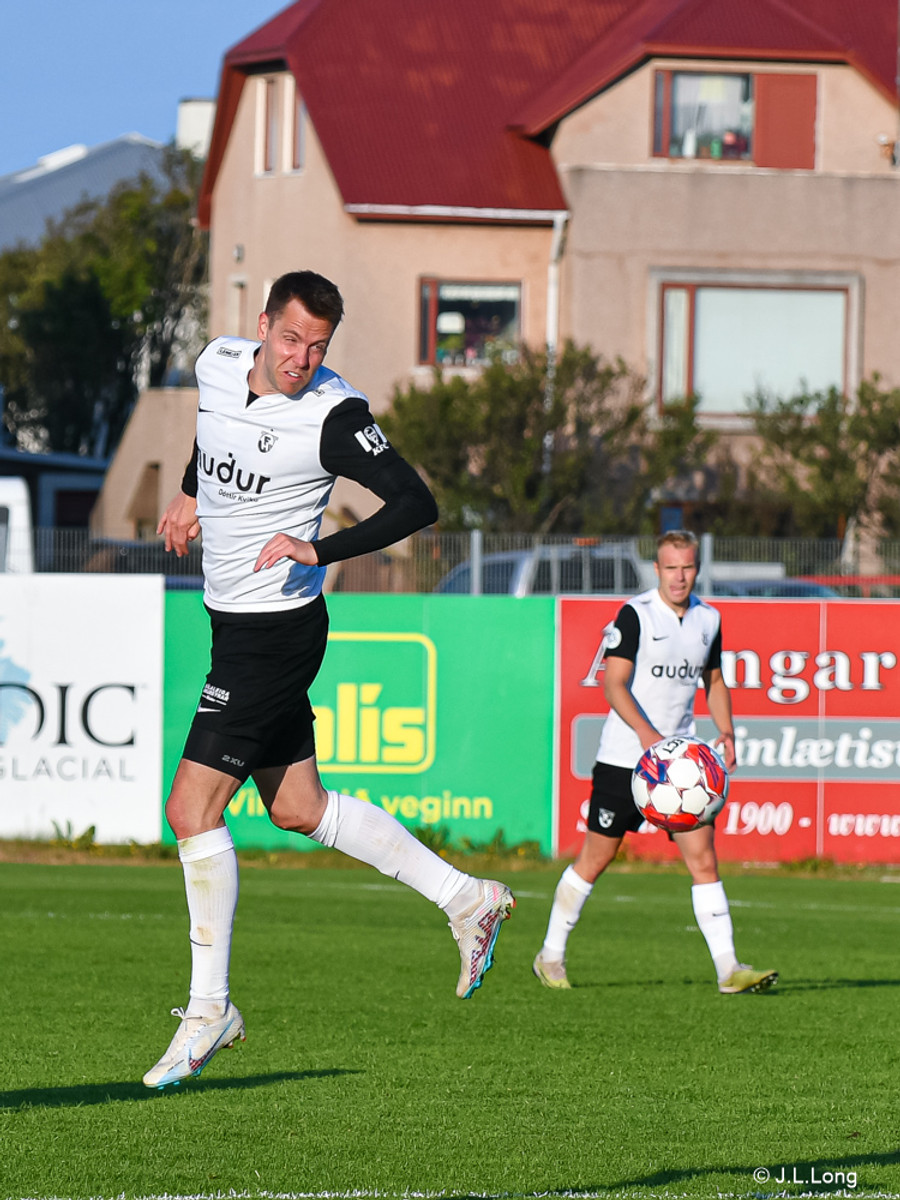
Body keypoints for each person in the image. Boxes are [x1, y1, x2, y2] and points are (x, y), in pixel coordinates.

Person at [144, 270, 514, 1089]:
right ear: (262, 326)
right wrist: (189, 495)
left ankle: (209, 1009)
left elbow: (416, 503)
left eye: (317, 346)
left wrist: (319, 548)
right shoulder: (216, 363)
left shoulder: (334, 415)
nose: (301, 359)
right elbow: (213, 431)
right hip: (232, 622)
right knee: (298, 807)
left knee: (190, 810)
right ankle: (466, 897)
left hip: (274, 636)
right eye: (290, 339)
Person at [533, 530, 776, 995]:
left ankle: (728, 969)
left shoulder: (708, 618)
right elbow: (614, 684)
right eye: (671, 568)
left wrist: (726, 731)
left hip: (682, 765)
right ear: (657, 569)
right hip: (625, 760)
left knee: (703, 859)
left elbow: (714, 680)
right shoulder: (636, 614)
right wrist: (648, 738)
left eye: (687, 567)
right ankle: (550, 955)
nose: (679, 577)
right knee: (596, 858)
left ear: (697, 568)